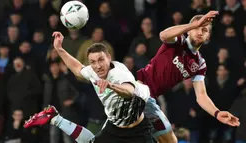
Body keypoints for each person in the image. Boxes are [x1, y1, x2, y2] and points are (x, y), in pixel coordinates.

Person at [24, 34, 154, 143]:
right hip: (116, 125)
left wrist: (111, 85)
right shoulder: (93, 71)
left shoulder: (119, 73)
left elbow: (129, 91)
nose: (97, 66)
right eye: (92, 62)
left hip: (137, 129)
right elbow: (77, 68)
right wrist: (59, 49)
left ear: (109, 57)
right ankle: (54, 118)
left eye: (101, 60)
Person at [136, 10, 240, 142]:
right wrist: (193, 24)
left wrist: (217, 113)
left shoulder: (200, 63)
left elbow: (201, 96)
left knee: (171, 141)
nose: (200, 32)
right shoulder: (177, 41)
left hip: (150, 99)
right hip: (138, 90)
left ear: (208, 36)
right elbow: (163, 35)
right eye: (196, 28)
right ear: (189, 30)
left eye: (204, 30)